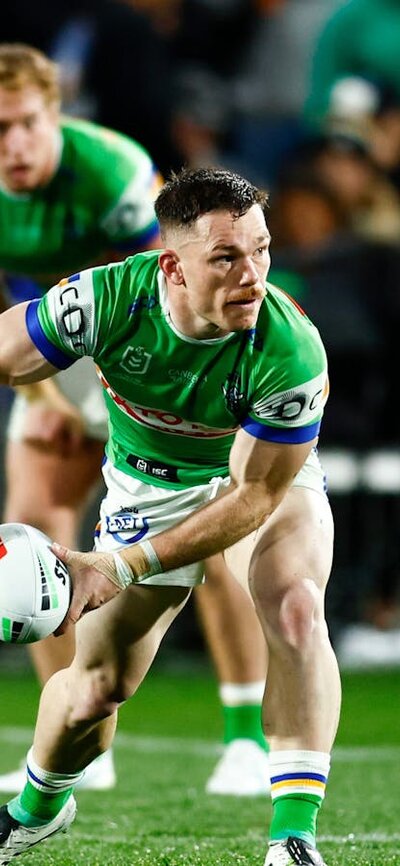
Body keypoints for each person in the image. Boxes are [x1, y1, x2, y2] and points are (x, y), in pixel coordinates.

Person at [0, 166, 339, 866]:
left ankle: (294, 838)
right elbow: (8, 354)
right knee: (96, 689)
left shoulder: (290, 349)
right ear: (173, 267)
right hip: (145, 490)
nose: (253, 274)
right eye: (226, 257)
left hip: (251, 474)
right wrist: (41, 400)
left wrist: (121, 565)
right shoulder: (107, 301)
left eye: (262, 249)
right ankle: (35, 810)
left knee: (297, 607)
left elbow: (254, 499)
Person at [0, 42, 269, 797]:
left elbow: (168, 293)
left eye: (23, 123)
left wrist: (107, 403)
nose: (11, 145)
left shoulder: (115, 174)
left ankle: (245, 735)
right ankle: (80, 734)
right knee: (29, 524)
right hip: (56, 346)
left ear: (55, 114)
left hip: (155, 350)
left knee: (209, 531)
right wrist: (43, 400)